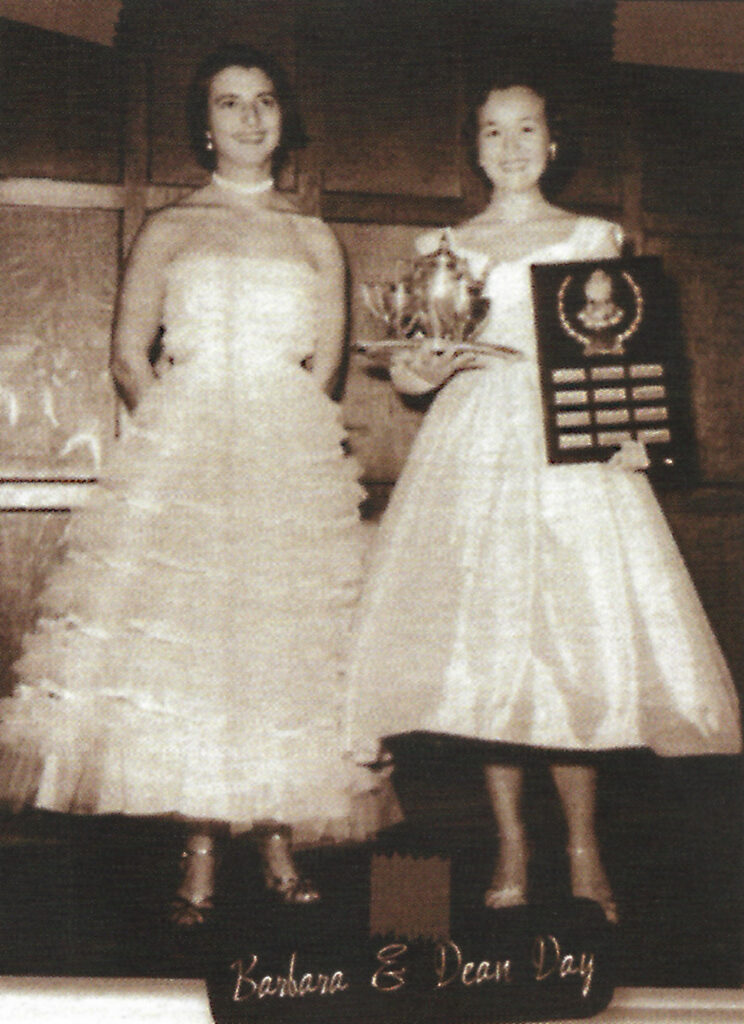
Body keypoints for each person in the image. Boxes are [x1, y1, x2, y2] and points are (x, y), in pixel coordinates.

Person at [345, 72, 742, 924]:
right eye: (495, 131)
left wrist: (638, 428)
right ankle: (511, 845)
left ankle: (582, 847)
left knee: (575, 651)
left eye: (528, 129)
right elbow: (414, 375)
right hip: (475, 454)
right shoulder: (442, 246)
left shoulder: (595, 236)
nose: (513, 146)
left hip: (573, 457)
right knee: (490, 658)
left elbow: (624, 348)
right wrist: (422, 368)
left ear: (553, 143)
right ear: (476, 145)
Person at [0, 44, 371, 926]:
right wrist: (183, 439)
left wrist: (274, 436)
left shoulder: (315, 235)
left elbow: (327, 365)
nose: (250, 118)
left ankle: (276, 833)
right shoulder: (169, 227)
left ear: (284, 117)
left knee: (276, 643)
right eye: (230, 103)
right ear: (204, 127)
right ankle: (199, 846)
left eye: (264, 101)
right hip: (185, 455)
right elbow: (129, 357)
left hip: (285, 457)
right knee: (192, 648)